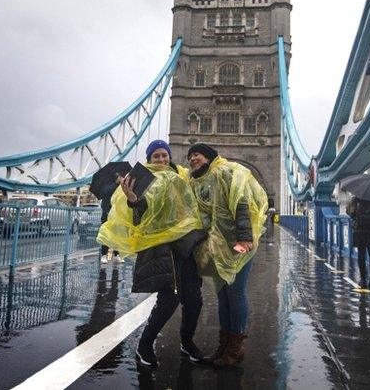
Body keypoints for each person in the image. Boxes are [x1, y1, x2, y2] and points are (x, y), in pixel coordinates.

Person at [97, 139, 206, 368]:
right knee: (169, 299)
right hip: (161, 247)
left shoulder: (182, 175)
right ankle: (144, 345)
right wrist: (133, 199)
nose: (161, 159)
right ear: (149, 159)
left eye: (164, 155)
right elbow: (139, 216)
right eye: (156, 156)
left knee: (194, 300)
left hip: (186, 246)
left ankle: (187, 343)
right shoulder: (143, 179)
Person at [186, 143, 268, 367]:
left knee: (236, 292)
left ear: (209, 156)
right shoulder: (197, 181)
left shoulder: (224, 172)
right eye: (190, 156)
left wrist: (244, 238)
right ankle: (223, 347)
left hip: (238, 243)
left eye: (198, 154)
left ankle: (235, 349)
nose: (193, 158)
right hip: (219, 247)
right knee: (223, 294)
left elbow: (241, 203)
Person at [346, 197, 370, 290]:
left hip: (359, 230)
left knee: (361, 254)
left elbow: (349, 213)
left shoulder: (355, 200)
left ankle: (363, 280)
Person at [99, 178, 122, 264]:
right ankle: (104, 255)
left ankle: (116, 255)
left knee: (117, 235)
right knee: (106, 234)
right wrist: (115, 183)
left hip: (117, 212)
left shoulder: (122, 184)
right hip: (107, 212)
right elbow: (105, 192)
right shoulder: (106, 182)